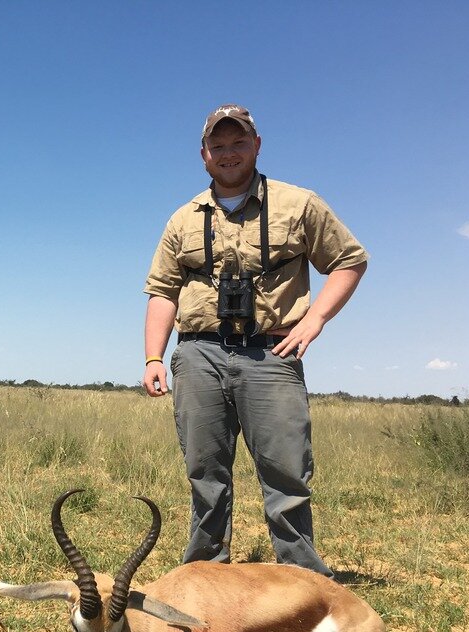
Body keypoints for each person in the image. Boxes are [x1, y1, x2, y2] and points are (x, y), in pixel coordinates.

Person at [142, 104, 368, 577]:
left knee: (286, 475)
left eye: (238, 142)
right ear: (203, 154)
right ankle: (204, 576)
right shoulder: (183, 219)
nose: (228, 153)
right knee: (205, 474)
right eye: (218, 146)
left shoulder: (299, 203)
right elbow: (163, 290)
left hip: (272, 352)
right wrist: (153, 357)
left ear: (257, 146)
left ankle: (303, 582)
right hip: (198, 352)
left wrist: (314, 320)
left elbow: (349, 260)